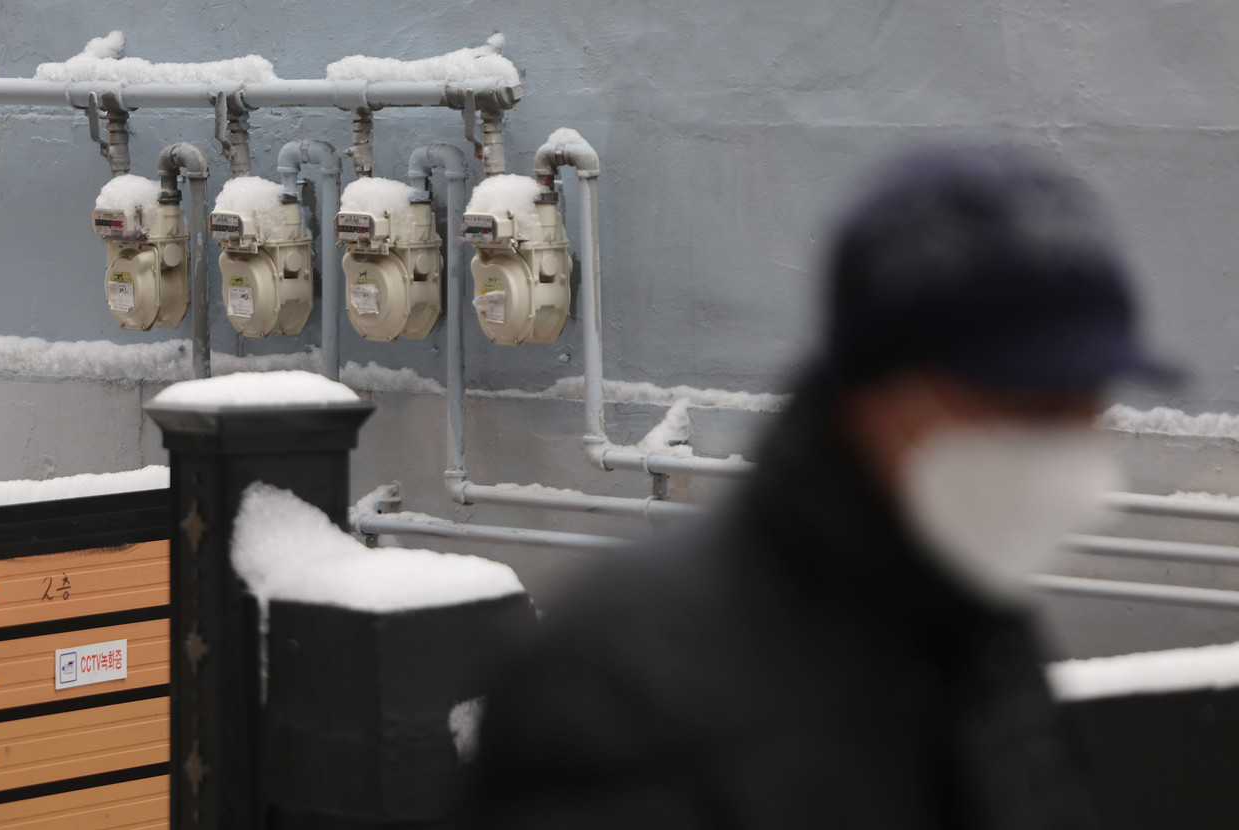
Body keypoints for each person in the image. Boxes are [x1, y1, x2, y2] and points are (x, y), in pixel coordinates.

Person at [462, 144, 1179, 829]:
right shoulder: (616, 689)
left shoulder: (979, 632)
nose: (1077, 456)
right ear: (884, 390)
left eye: (1089, 407)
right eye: (1032, 407)